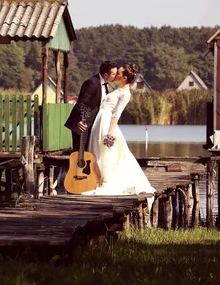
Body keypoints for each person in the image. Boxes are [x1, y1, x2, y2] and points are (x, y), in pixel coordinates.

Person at [83, 63, 156, 207]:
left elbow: (117, 114)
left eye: (119, 73)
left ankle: (105, 179)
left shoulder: (125, 93)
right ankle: (96, 178)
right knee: (97, 151)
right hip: (100, 120)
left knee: (105, 153)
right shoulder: (118, 89)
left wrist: (109, 133)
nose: (115, 75)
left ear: (124, 77)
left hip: (107, 123)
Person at [64, 61, 118, 152]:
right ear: (105, 75)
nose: (115, 76)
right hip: (82, 124)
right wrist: (80, 121)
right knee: (80, 153)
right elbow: (81, 103)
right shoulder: (91, 83)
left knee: (89, 152)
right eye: (113, 74)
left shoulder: (105, 85)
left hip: (92, 124)